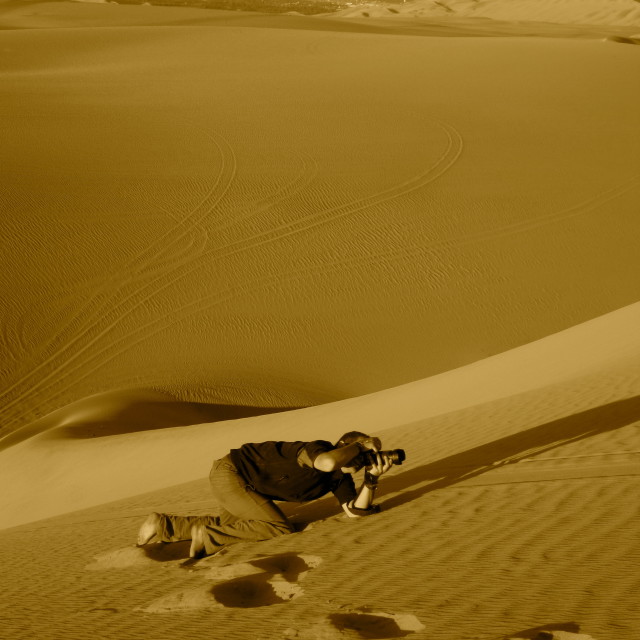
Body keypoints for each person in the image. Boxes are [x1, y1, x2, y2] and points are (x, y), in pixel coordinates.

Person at [137, 431, 393, 558]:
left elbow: (354, 512)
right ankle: (208, 537)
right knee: (278, 528)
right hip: (232, 473)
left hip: (248, 486)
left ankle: (163, 525)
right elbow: (326, 462)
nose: (363, 460)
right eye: (360, 455)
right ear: (345, 448)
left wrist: (371, 480)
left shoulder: (340, 478)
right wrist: (361, 445)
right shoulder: (316, 450)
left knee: (238, 526)